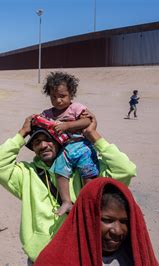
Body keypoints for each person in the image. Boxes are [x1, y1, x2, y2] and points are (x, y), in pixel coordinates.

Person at [0, 111, 136, 263]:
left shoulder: (85, 170)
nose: (43, 145)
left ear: (59, 141)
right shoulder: (27, 174)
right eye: (37, 142)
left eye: (48, 140)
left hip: (79, 257)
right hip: (41, 258)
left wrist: (93, 135)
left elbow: (126, 170)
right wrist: (22, 133)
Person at [35, 178, 158, 265]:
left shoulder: (136, 257)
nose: (118, 230)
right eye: (107, 220)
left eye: (124, 221)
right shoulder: (54, 260)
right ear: (86, 218)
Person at [39, 72, 99, 216]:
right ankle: (66, 201)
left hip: (82, 146)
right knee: (60, 171)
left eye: (62, 96)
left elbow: (87, 121)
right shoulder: (48, 113)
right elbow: (41, 124)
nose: (58, 100)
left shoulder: (76, 108)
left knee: (88, 172)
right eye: (54, 97)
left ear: (71, 94)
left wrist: (67, 126)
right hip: (64, 149)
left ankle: (90, 201)